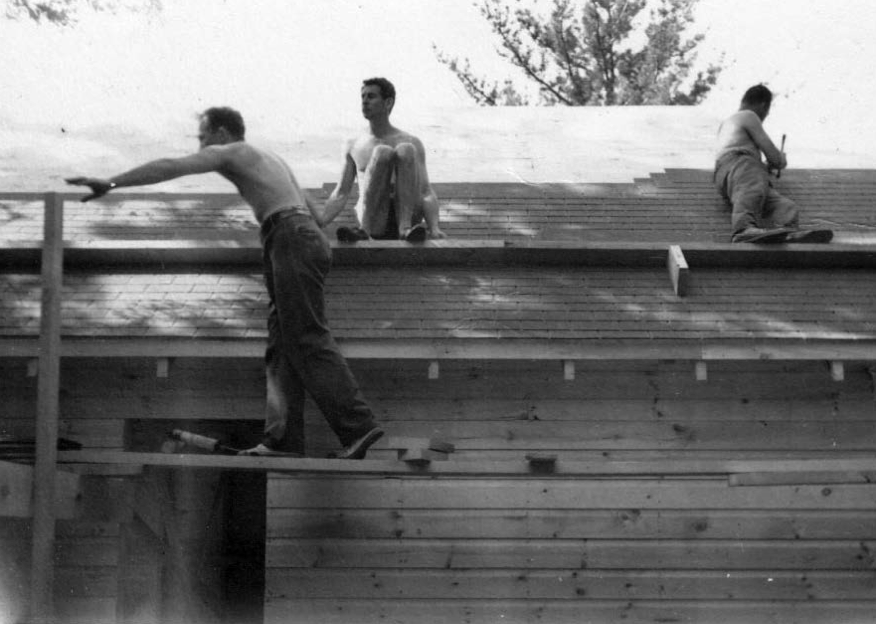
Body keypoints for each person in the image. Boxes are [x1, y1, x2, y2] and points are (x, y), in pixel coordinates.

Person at [66, 107, 383, 458]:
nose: (201, 145)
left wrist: (111, 183)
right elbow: (320, 215)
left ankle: (358, 427)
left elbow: (172, 166)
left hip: (290, 237)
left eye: (203, 137)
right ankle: (282, 440)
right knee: (282, 340)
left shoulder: (233, 152)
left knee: (307, 336)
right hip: (302, 237)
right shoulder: (272, 159)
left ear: (220, 132)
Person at [321, 77, 447, 242]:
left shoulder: (412, 141)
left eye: (371, 97)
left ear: (388, 103)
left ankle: (405, 229)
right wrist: (319, 223)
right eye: (363, 97)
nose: (365, 101)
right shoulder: (354, 144)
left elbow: (426, 191)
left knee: (406, 149)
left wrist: (434, 227)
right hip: (374, 219)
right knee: (382, 153)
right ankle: (363, 230)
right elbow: (341, 193)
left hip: (408, 214)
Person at [713, 84, 801, 243]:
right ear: (763, 105)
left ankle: (787, 231)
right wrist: (780, 159)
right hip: (741, 164)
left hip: (733, 173)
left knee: (785, 206)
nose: (765, 116)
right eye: (767, 111)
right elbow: (773, 156)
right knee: (752, 186)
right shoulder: (748, 115)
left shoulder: (730, 123)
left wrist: (763, 168)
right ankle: (743, 228)